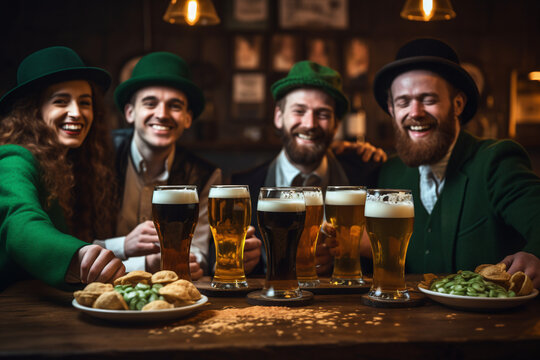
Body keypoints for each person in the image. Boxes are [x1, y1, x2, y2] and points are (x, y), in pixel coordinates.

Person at [373, 38, 540, 288]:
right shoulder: (389, 173)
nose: (415, 112)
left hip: (493, 324)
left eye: (428, 99)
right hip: (405, 323)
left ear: (458, 104)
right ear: (391, 108)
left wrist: (536, 254)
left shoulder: (495, 161)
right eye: (403, 102)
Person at [98, 52, 261, 278]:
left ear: (187, 118)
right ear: (130, 112)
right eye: (150, 103)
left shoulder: (205, 174)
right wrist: (128, 249)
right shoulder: (100, 157)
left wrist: (182, 262)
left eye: (174, 106)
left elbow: (198, 253)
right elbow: (78, 246)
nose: (162, 114)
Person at [232, 60, 385, 274]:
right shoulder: (241, 185)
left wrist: (343, 254)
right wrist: (240, 261)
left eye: (322, 114)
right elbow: (215, 257)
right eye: (299, 111)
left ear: (336, 124)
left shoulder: (368, 174)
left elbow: (386, 254)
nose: (310, 124)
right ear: (278, 117)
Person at [0, 46, 125, 290]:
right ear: (33, 110)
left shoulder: (75, 163)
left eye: (85, 102)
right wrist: (77, 255)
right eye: (60, 101)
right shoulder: (14, 158)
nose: (77, 113)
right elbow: (20, 223)